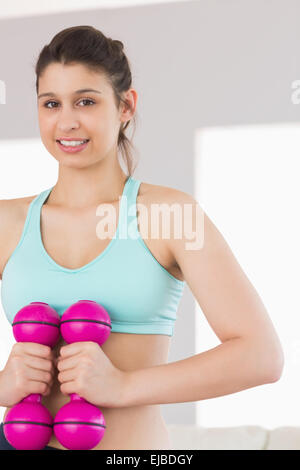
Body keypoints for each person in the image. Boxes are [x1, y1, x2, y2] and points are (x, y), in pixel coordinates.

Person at [0, 25, 284, 450]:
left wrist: (122, 386)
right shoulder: (7, 220)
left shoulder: (169, 214)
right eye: (51, 103)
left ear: (127, 105)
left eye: (86, 101)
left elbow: (261, 356)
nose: (67, 121)